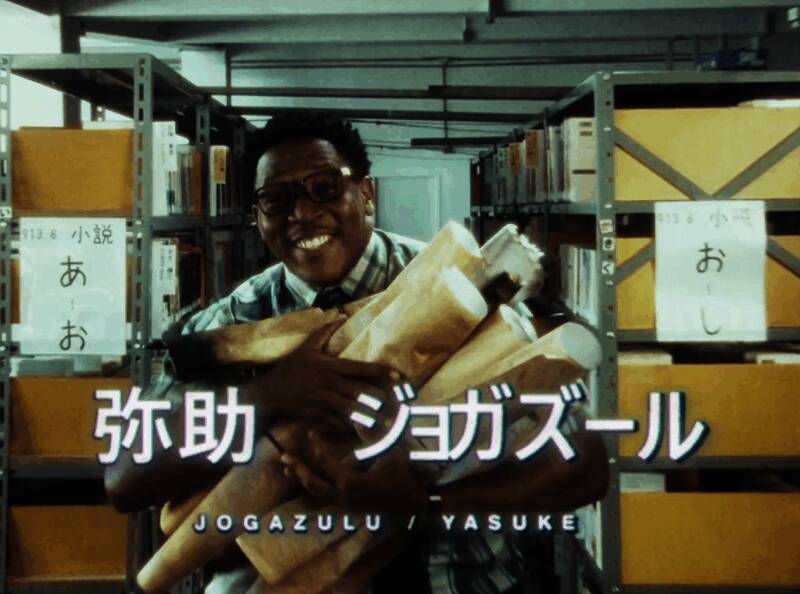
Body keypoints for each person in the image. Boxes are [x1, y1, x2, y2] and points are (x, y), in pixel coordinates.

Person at [104, 112, 609, 594]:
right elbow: (124, 479)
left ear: (366, 194)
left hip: (455, 579)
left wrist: (426, 499)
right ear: (258, 218)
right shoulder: (231, 326)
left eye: (324, 188)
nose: (303, 213)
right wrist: (268, 396)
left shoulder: (466, 287)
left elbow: (586, 468)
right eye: (276, 200)